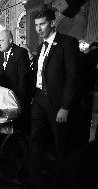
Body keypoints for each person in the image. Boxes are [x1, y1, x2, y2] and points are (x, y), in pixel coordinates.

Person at [28, 8, 83, 189]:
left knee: (62, 144)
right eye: (36, 25)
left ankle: (60, 181)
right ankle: (35, 179)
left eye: (42, 24)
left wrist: (65, 106)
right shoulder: (40, 46)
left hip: (57, 103)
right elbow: (38, 73)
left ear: (53, 22)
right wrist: (33, 97)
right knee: (35, 140)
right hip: (39, 100)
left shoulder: (68, 43)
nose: (38, 28)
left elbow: (73, 77)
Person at [0, 30, 32, 135]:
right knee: (3, 128)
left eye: (1, 40)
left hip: (17, 98)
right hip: (2, 99)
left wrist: (21, 102)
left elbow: (24, 80)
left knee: (18, 129)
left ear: (10, 40)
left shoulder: (20, 52)